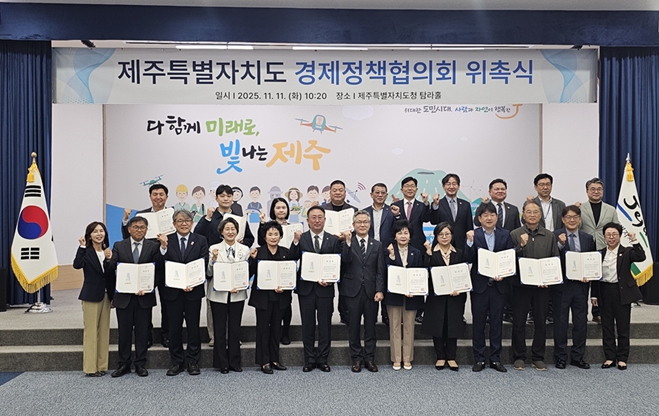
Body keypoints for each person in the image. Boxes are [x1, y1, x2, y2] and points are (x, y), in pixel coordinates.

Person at [195, 184, 254, 347]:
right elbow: (198, 235)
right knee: (214, 304)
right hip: (215, 263)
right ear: (216, 198)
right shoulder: (211, 216)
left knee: (234, 305)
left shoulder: (239, 218)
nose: (226, 198)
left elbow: (250, 238)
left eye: (229, 196)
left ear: (233, 198)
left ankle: (233, 336)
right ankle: (214, 336)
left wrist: (240, 243)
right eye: (222, 196)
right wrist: (207, 218)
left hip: (234, 264)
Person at [109, 216, 163, 378]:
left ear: (147, 230)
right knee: (124, 332)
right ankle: (123, 364)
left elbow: (159, 271)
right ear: (129, 229)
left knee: (142, 332)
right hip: (124, 297)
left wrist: (148, 287)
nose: (139, 230)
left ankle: (140, 364)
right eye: (136, 227)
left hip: (144, 297)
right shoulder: (119, 246)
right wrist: (108, 258)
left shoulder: (153, 247)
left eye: (142, 227)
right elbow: (112, 269)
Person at [158, 209, 209, 376]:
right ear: (174, 224)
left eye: (187, 220)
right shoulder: (166, 240)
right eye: (180, 221)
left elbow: (203, 263)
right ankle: (177, 362)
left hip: (193, 291)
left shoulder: (200, 240)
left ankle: (193, 361)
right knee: (174, 328)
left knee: (193, 327)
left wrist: (192, 282)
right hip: (173, 292)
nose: (184, 223)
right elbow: (160, 265)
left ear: (192, 223)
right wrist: (163, 247)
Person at [510, 200, 559, 371]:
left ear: (540, 215)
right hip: (520, 286)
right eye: (528, 212)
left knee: (540, 321)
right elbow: (509, 260)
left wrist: (548, 280)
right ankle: (519, 356)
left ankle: (538, 357)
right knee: (519, 322)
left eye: (535, 212)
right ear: (523, 215)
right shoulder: (515, 234)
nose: (532, 215)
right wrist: (520, 246)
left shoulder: (549, 235)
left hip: (541, 287)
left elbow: (554, 259)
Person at [465, 203, 514, 373]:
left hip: (499, 286)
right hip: (480, 286)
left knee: (496, 323)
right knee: (478, 324)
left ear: (496, 217)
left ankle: (495, 359)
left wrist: (504, 274)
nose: (489, 218)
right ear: (479, 218)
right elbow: (468, 258)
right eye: (485, 215)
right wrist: (469, 242)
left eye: (492, 214)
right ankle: (479, 359)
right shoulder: (474, 235)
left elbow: (509, 258)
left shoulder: (505, 234)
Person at [294, 205, 344, 372]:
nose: (317, 220)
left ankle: (323, 359)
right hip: (306, 289)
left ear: (325, 219)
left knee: (325, 326)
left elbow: (338, 264)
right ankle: (309, 359)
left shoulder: (333, 239)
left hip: (325, 290)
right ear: (308, 220)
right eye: (313, 217)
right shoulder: (301, 238)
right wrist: (295, 242)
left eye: (320, 217)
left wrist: (330, 280)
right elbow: (292, 257)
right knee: (307, 326)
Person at [121, 183, 170, 348]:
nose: (158, 197)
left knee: (167, 304)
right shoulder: (141, 215)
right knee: (144, 304)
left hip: (166, 265)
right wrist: (125, 220)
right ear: (150, 197)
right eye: (155, 194)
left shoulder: (172, 215)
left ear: (166, 197)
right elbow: (128, 237)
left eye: (161, 194)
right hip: (144, 265)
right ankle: (146, 335)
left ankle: (166, 335)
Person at [592, 222, 645, 370]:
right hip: (604, 292)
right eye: (608, 235)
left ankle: (622, 358)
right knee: (607, 327)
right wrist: (594, 295)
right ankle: (610, 357)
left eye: (614, 234)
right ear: (604, 236)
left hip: (621, 292)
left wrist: (634, 240)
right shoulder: (600, 254)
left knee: (623, 327)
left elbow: (641, 256)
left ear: (620, 236)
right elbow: (595, 277)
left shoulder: (627, 252)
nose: (611, 237)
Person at [248, 221, 300, 374]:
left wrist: (285, 286)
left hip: (280, 297)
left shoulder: (286, 252)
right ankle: (264, 361)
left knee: (276, 329)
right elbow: (249, 274)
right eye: (270, 234)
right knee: (263, 330)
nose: (273, 237)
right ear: (264, 237)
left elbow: (291, 274)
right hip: (263, 298)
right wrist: (252, 260)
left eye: (276, 234)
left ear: (280, 236)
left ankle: (275, 359)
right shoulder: (258, 252)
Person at [340, 210, 385, 373]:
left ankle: (370, 359)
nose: (362, 224)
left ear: (370, 224)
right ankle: (356, 359)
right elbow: (344, 261)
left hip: (371, 292)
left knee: (370, 327)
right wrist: (347, 242)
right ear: (353, 225)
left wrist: (380, 290)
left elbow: (380, 270)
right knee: (353, 327)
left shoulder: (377, 245)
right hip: (352, 291)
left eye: (365, 222)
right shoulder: (346, 243)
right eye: (359, 222)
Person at [553, 205, 595, 370]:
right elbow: (551, 258)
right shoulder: (555, 235)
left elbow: (592, 260)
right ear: (563, 219)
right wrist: (560, 244)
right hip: (562, 286)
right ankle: (560, 357)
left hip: (580, 286)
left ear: (580, 219)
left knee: (580, 322)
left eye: (575, 217)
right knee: (560, 322)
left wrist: (589, 275)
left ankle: (578, 357)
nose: (572, 220)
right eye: (568, 217)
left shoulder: (587, 238)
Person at [207, 217, 250, 374]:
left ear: (237, 231)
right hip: (218, 295)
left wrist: (239, 284)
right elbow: (209, 273)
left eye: (233, 229)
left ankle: (234, 362)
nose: (230, 232)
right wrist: (213, 260)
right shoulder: (213, 248)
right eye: (227, 229)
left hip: (237, 294)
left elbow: (246, 272)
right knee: (219, 329)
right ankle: (222, 363)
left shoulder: (244, 250)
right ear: (221, 232)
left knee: (234, 328)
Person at [422, 222, 466, 372]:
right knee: (438, 325)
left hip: (455, 295)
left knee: (453, 325)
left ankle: (451, 357)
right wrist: (428, 254)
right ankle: (440, 356)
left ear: (452, 236)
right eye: (441, 234)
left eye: (447, 234)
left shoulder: (459, 253)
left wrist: (460, 288)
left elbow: (463, 274)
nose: (444, 237)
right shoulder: (430, 252)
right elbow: (425, 273)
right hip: (437, 296)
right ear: (436, 236)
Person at [476, 179, 521, 324]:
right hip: (482, 276)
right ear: (490, 191)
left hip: (503, 263)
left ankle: (507, 312)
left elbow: (516, 230)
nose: (500, 191)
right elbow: (476, 223)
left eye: (503, 189)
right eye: (497, 189)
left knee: (498, 315)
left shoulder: (513, 209)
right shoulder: (483, 208)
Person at [73, 221, 114, 377]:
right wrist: (82, 247)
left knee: (104, 332)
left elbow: (110, 275)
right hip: (91, 296)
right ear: (89, 235)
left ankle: (102, 366)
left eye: (101, 231)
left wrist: (109, 260)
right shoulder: (87, 251)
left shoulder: (107, 252)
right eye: (95, 231)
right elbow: (77, 265)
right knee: (91, 332)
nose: (99, 234)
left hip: (106, 296)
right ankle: (90, 368)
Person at [578, 177, 620, 324]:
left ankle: (597, 312)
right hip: (585, 249)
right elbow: (575, 226)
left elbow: (616, 228)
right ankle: (581, 313)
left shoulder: (611, 209)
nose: (596, 192)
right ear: (587, 191)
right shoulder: (580, 208)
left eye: (599, 189)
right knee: (584, 282)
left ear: (602, 191)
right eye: (593, 189)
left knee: (600, 282)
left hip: (604, 248)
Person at [384, 220, 424, 371]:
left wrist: (415, 291)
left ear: (410, 236)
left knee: (409, 327)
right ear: (394, 236)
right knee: (394, 327)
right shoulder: (388, 251)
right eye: (399, 233)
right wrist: (391, 257)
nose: (403, 236)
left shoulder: (416, 252)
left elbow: (420, 274)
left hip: (411, 296)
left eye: (406, 233)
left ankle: (407, 358)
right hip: (393, 296)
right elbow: (384, 272)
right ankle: (396, 358)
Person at [257, 197, 295, 345]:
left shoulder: (293, 227)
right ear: (273, 210)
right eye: (278, 207)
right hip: (270, 267)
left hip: (286, 264)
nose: (281, 210)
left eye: (284, 207)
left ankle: (285, 333)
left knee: (286, 304)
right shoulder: (268, 226)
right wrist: (262, 224)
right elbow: (261, 243)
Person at [364, 182, 398, 326]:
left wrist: (397, 216)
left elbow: (399, 229)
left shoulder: (392, 211)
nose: (380, 195)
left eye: (383, 193)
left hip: (386, 251)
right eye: (377, 192)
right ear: (371, 195)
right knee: (370, 282)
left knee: (386, 281)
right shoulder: (364, 212)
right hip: (368, 252)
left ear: (386, 195)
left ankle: (385, 314)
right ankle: (371, 315)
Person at [326, 180, 357, 325]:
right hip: (327, 252)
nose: (337, 192)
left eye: (340, 190)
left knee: (346, 286)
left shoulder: (353, 210)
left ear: (345, 193)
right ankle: (327, 314)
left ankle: (345, 314)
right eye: (335, 190)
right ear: (330, 193)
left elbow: (359, 231)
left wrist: (347, 237)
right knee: (326, 286)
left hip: (347, 251)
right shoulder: (322, 210)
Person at [430, 173, 474, 252]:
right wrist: (435, 205)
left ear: (458, 186)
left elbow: (469, 227)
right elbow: (434, 221)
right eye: (448, 184)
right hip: (442, 244)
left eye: (454, 184)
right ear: (443, 187)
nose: (451, 187)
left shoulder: (466, 205)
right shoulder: (438, 203)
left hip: (461, 245)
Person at [392, 176, 430, 251]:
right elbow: (392, 224)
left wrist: (426, 203)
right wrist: (397, 215)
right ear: (402, 190)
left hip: (418, 243)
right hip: (399, 244)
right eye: (406, 186)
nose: (410, 188)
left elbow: (426, 219)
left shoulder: (422, 205)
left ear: (416, 189)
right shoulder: (395, 206)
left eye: (412, 186)